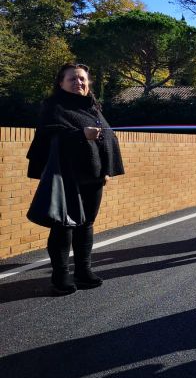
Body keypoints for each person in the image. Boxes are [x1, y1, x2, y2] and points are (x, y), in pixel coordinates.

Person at [26, 63, 124, 295]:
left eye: (82, 79)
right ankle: (60, 275)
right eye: (72, 79)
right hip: (66, 175)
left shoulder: (92, 107)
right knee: (64, 226)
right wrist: (80, 134)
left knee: (87, 223)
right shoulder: (54, 107)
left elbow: (106, 139)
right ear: (61, 83)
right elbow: (50, 135)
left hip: (93, 175)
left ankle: (83, 271)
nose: (78, 83)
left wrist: (106, 169)